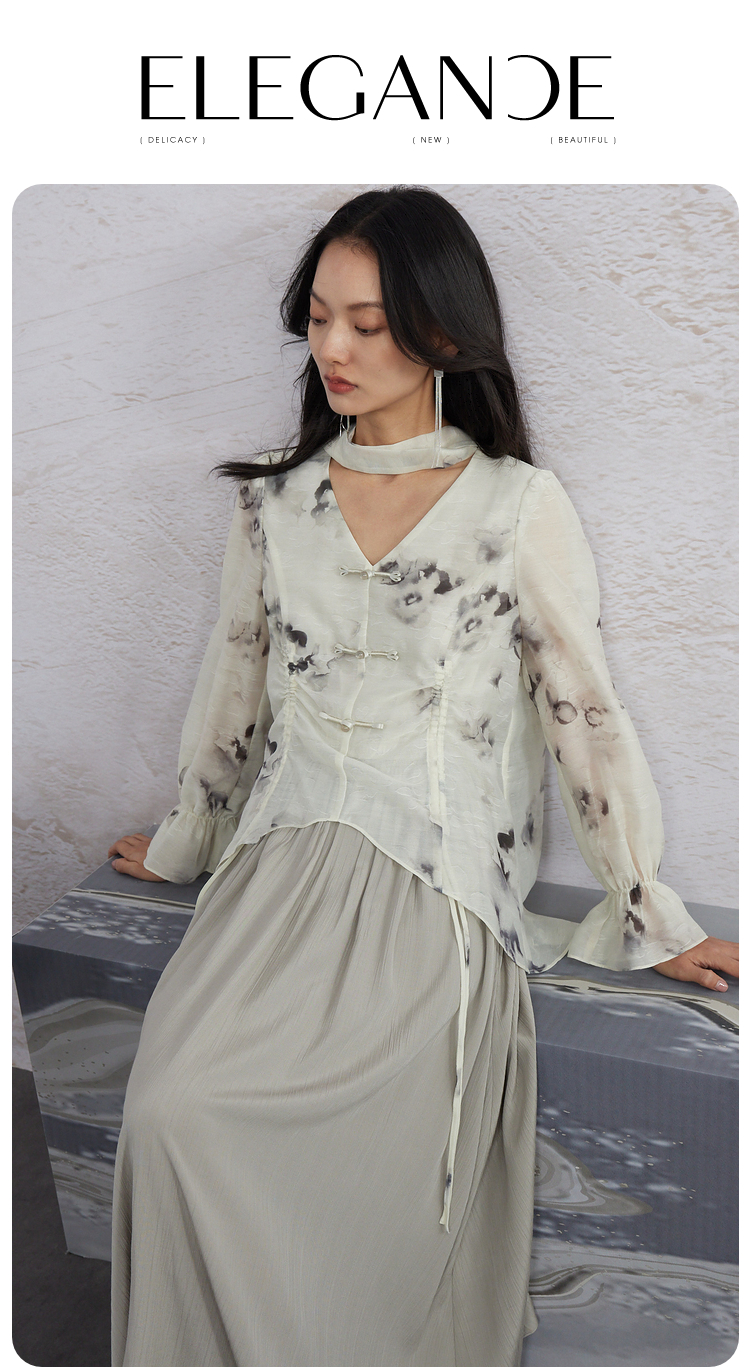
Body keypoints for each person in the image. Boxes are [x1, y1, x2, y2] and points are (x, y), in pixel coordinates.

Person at [108, 187, 739, 1367]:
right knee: (171, 1109)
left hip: (434, 889)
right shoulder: (274, 505)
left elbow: (582, 711)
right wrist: (190, 835)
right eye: (319, 317)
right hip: (277, 873)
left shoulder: (515, 506)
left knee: (345, 1166)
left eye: (369, 322)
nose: (333, 348)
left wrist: (648, 909)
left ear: (443, 332)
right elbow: (233, 688)